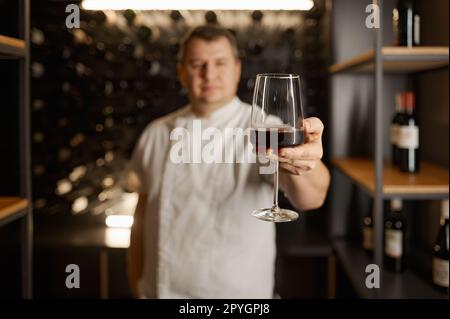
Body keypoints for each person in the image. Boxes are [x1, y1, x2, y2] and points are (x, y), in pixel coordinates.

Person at [125, 24, 330, 299]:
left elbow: (312, 197)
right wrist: (136, 285)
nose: (208, 74)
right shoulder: (156, 133)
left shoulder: (264, 128)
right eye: (197, 64)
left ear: (236, 68)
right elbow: (141, 215)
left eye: (219, 63)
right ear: (181, 72)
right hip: (160, 292)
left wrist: (307, 164)